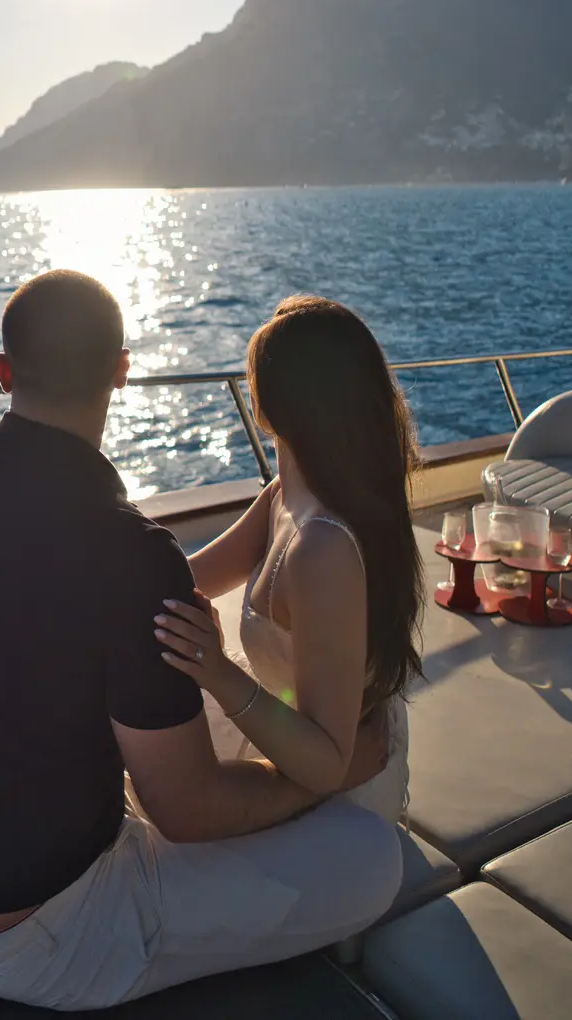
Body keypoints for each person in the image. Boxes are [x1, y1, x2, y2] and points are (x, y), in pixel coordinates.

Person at [0, 271, 402, 1009]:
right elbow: (190, 814)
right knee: (373, 859)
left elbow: (60, 599)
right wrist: (315, 780)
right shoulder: (130, 555)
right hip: (32, 937)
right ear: (123, 371)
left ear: (2, 374)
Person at [158, 296, 423, 824]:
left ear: (267, 408)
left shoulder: (322, 548)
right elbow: (187, 580)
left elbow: (328, 764)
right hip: (285, 740)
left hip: (338, 794)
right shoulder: (287, 494)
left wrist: (214, 670)